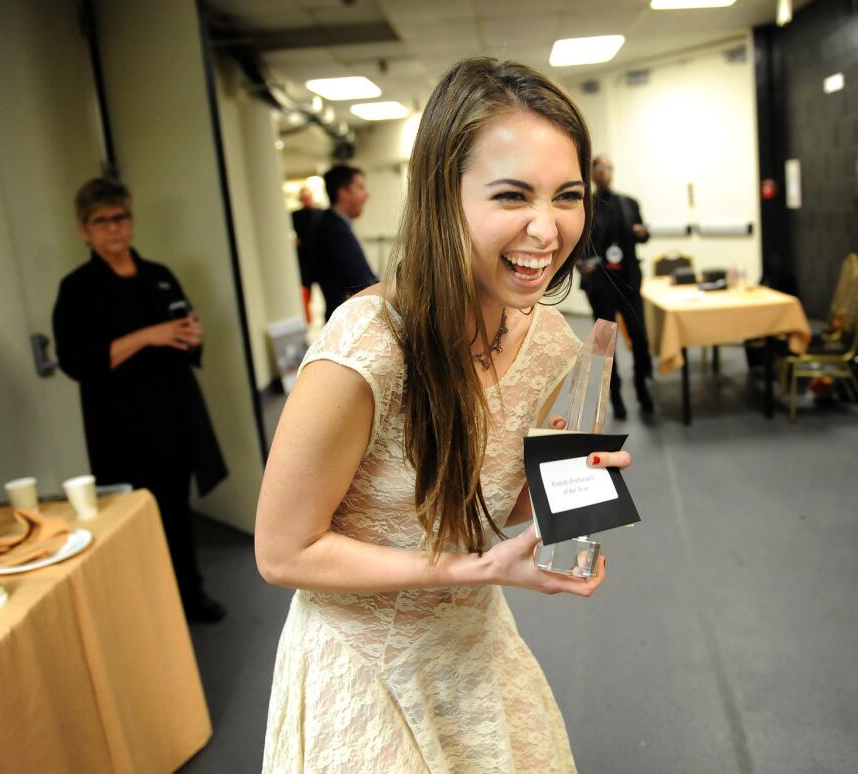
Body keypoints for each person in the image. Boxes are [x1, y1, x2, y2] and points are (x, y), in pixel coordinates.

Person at [255, 58, 630, 771]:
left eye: (568, 196)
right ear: (443, 194)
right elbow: (282, 552)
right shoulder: (367, 347)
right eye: (513, 195)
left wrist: (566, 487)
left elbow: (502, 508)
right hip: (362, 663)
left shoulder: (553, 341)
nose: (547, 231)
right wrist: (472, 570)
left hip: (471, 649)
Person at [53, 177, 227, 623]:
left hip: (173, 413)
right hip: (122, 425)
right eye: (102, 221)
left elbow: (185, 331)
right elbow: (77, 361)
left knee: (176, 513)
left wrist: (192, 336)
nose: (114, 228)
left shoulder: (159, 275)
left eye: (121, 217)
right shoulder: (77, 289)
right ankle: (148, 609)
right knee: (135, 520)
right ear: (84, 230)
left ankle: (191, 595)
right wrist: (149, 336)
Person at [581, 154, 654, 419]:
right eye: (599, 168)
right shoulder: (584, 206)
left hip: (629, 283)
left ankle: (643, 388)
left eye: (609, 167)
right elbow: (574, 245)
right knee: (606, 345)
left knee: (640, 337)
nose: (605, 172)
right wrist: (581, 264)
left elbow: (642, 236)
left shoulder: (629, 203)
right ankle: (616, 397)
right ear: (591, 173)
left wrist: (642, 233)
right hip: (600, 286)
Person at [311, 164, 376, 320]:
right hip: (348, 323)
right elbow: (361, 282)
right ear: (344, 193)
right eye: (360, 187)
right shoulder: (334, 230)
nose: (367, 194)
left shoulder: (334, 224)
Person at [290, 186, 322, 323]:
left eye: (309, 196)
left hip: (320, 259)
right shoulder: (295, 215)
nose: (307, 199)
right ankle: (307, 320)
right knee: (305, 293)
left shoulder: (321, 214)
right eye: (304, 197)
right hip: (303, 259)